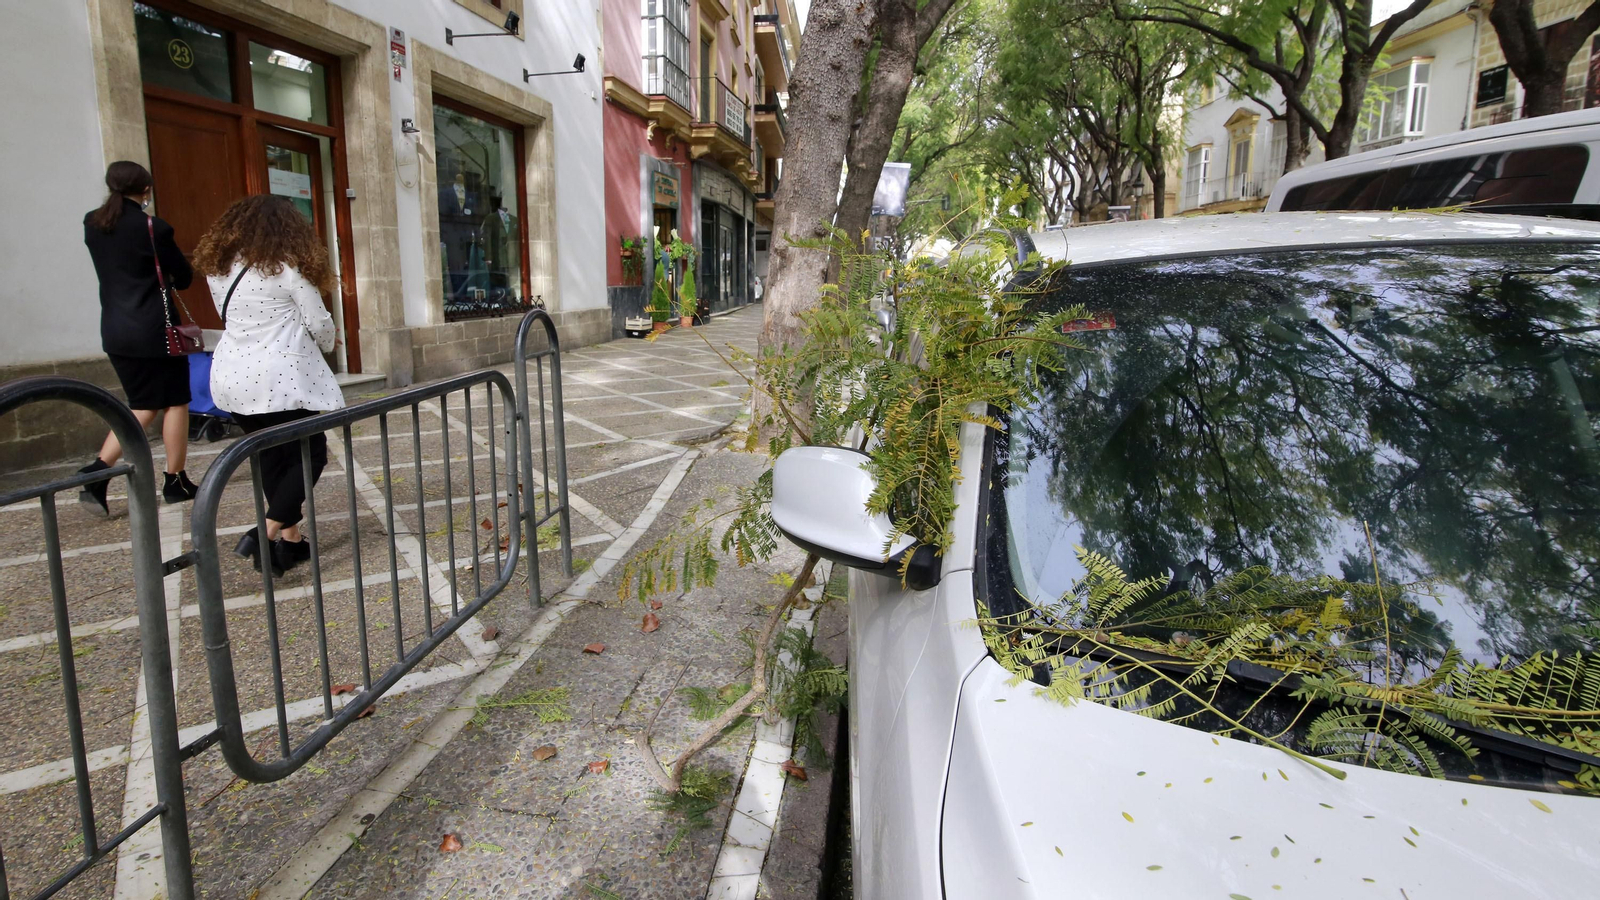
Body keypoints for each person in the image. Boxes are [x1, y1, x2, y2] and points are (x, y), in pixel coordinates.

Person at [192, 195, 343, 576]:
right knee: (311, 455)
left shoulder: (219, 270)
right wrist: (328, 341)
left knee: (272, 459)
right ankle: (264, 532)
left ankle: (290, 544)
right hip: (279, 379)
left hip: (232, 376)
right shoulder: (288, 269)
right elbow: (319, 323)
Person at [79, 160, 199, 514]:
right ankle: (173, 479)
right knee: (175, 400)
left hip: (115, 329)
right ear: (145, 190)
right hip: (155, 331)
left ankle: (98, 472)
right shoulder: (153, 227)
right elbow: (183, 276)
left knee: (142, 404)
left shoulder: (92, 223)